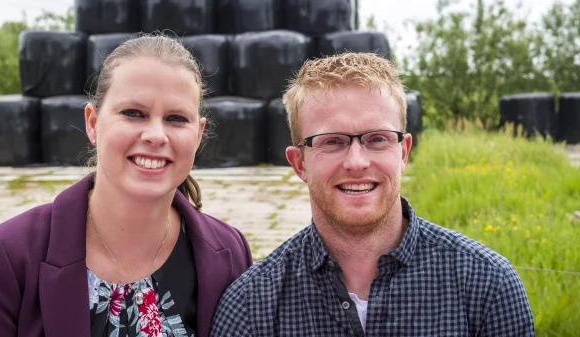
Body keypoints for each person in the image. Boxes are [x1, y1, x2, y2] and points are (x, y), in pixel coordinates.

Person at [210, 53, 535, 336]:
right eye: (332, 141)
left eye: (377, 139)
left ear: (404, 152)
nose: (356, 162)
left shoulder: (488, 286)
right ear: (300, 163)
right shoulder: (250, 307)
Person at [0, 34, 252, 337]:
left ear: (199, 134)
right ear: (93, 123)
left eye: (176, 118)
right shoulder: (3, 259)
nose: (156, 135)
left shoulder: (231, 253)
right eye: (134, 113)